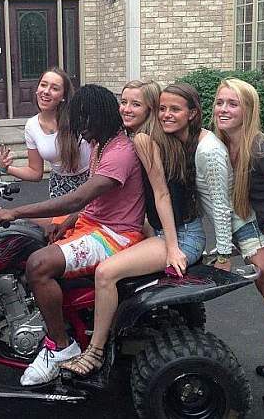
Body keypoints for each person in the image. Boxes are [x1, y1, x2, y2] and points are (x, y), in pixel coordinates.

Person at [0, 84, 145, 386]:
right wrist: (70, 221)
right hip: (94, 223)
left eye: (84, 120)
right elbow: (92, 203)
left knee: (38, 264)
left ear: (100, 116)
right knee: (30, 238)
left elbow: (78, 197)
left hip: (115, 235)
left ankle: (60, 346)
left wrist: (15, 212)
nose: (80, 128)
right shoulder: (101, 145)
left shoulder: (120, 153)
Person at [61, 81, 205, 378]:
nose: (126, 109)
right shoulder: (140, 137)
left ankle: (95, 352)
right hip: (167, 231)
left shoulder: (142, 140)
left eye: (135, 104)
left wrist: (172, 247)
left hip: (180, 236)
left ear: (149, 109)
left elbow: (161, 195)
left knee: (105, 273)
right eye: (123, 102)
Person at [212, 78, 264, 408]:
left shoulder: (260, 150)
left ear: (248, 110)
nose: (223, 109)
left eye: (233, 103)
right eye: (220, 102)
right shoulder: (228, 147)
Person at [0, 67, 91, 198]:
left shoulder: (79, 118)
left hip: (92, 181)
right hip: (60, 188)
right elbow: (35, 172)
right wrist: (5, 168)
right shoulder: (32, 126)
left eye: (54, 88)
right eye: (43, 85)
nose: (46, 91)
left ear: (63, 96)